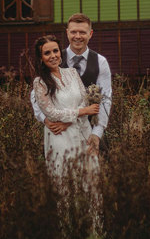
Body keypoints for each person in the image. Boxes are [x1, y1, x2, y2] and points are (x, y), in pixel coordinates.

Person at [31, 13, 112, 157]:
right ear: (67, 33)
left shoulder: (101, 62)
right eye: (73, 31)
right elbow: (36, 97)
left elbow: (105, 99)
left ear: (90, 34)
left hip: (89, 130)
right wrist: (45, 120)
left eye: (82, 32)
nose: (77, 36)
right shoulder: (53, 57)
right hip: (60, 133)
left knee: (91, 175)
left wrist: (97, 133)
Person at [32, 34, 100, 179]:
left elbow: (84, 99)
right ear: (40, 58)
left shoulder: (72, 73)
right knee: (67, 178)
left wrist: (69, 121)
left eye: (55, 51)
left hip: (82, 131)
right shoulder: (40, 83)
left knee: (90, 177)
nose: (53, 56)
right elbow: (51, 113)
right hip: (60, 136)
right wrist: (83, 111)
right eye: (47, 53)